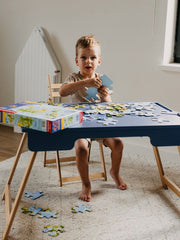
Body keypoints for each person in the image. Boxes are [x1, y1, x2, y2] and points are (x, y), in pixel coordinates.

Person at [59, 35, 127, 202]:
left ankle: (115, 173)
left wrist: (105, 96)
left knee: (118, 143)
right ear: (77, 61)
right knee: (81, 149)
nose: (88, 61)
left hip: (101, 124)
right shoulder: (74, 78)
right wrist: (85, 82)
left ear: (99, 61)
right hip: (81, 125)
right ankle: (86, 183)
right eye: (83, 57)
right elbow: (62, 92)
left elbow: (109, 106)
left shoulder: (103, 79)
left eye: (92, 57)